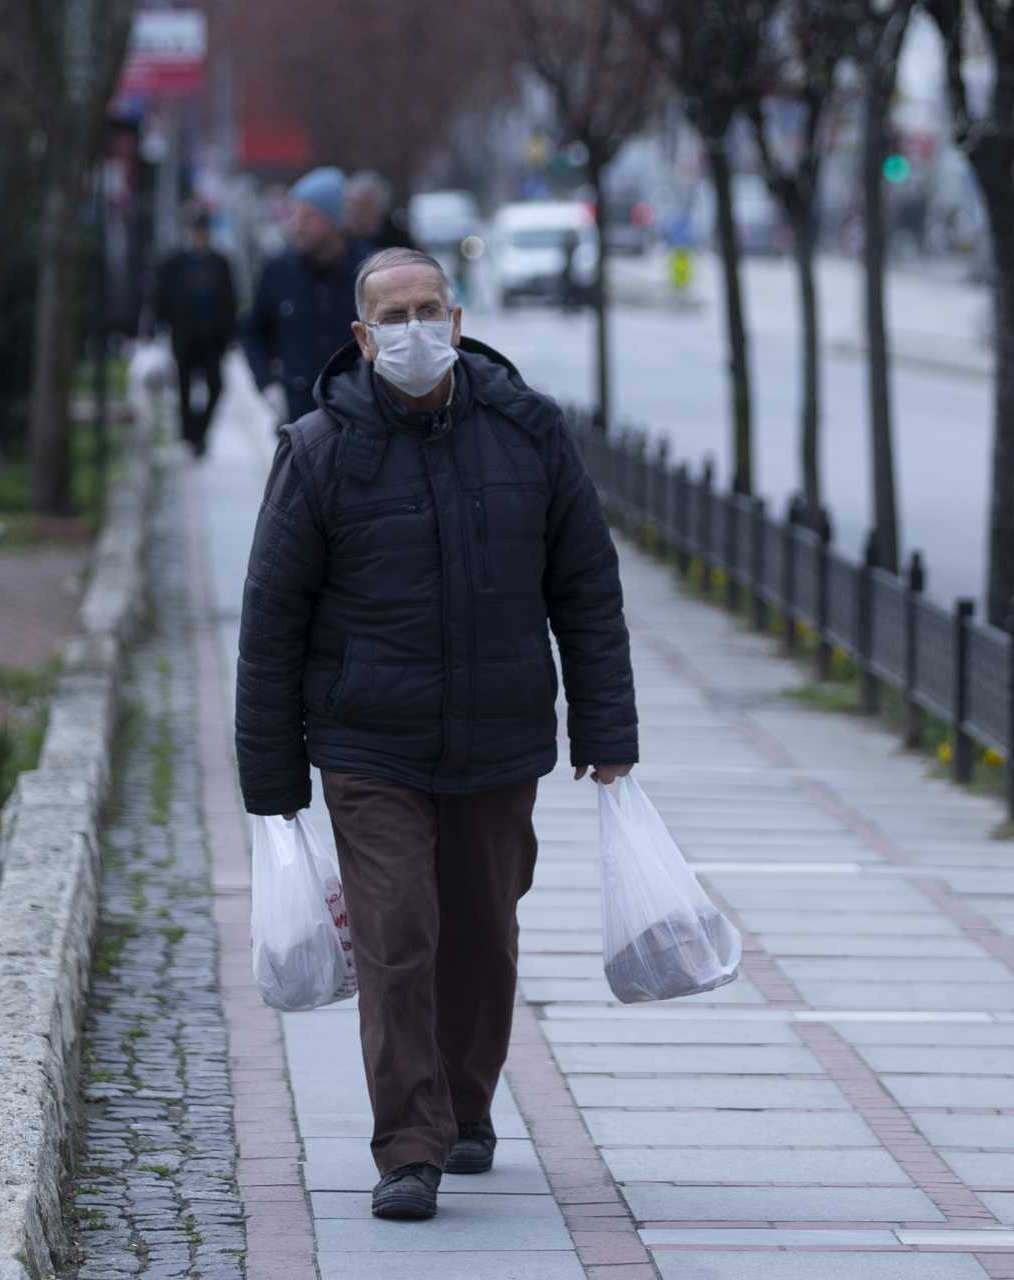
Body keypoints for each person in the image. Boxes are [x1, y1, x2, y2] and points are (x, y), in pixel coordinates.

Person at [235, 247, 638, 1222]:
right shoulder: (321, 449)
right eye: (393, 315)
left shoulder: (529, 433)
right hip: (370, 743)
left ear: (456, 321)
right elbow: (271, 622)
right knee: (398, 929)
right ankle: (407, 1143)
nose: (414, 329)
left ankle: (466, 1104)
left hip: (498, 739)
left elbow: (585, 587)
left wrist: (606, 728)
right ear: (365, 338)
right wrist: (272, 782)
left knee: (483, 934)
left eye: (429, 309)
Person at [241, 166, 372, 423]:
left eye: (308, 217)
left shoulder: (371, 271)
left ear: (335, 220)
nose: (296, 226)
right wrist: (267, 384)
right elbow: (252, 330)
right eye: (293, 215)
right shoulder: (278, 270)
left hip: (361, 416)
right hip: (298, 417)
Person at [154, 205, 239, 457]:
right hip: (184, 337)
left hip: (213, 339)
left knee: (216, 386)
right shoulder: (175, 263)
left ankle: (199, 432)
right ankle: (188, 434)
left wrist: (230, 335)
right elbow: (162, 298)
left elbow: (230, 300)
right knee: (183, 388)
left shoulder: (221, 263)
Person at [345, 170, 413, 251]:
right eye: (352, 207)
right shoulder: (342, 243)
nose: (356, 214)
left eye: (365, 208)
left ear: (381, 210)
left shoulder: (399, 244)